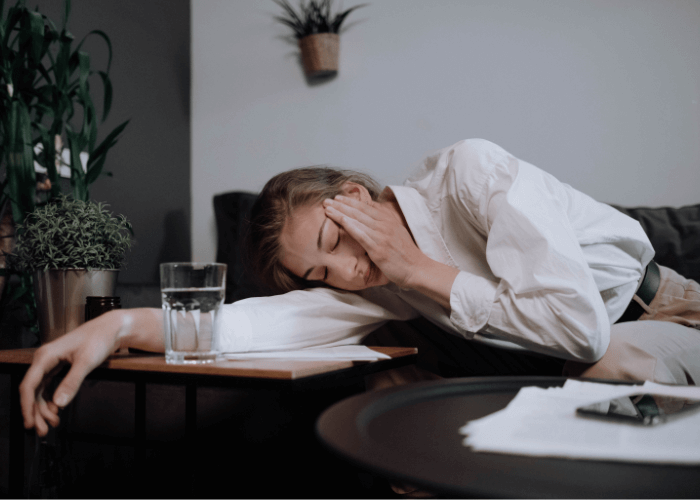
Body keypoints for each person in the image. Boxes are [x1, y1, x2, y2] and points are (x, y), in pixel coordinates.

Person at [20, 138, 700, 437]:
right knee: (387, 391)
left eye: (333, 242)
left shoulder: (471, 172)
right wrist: (113, 325)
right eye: (321, 274)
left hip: (660, 306)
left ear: (352, 195)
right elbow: (249, 327)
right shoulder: (364, 288)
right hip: (537, 359)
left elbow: (582, 327)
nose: (347, 272)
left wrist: (416, 271)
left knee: (604, 360)